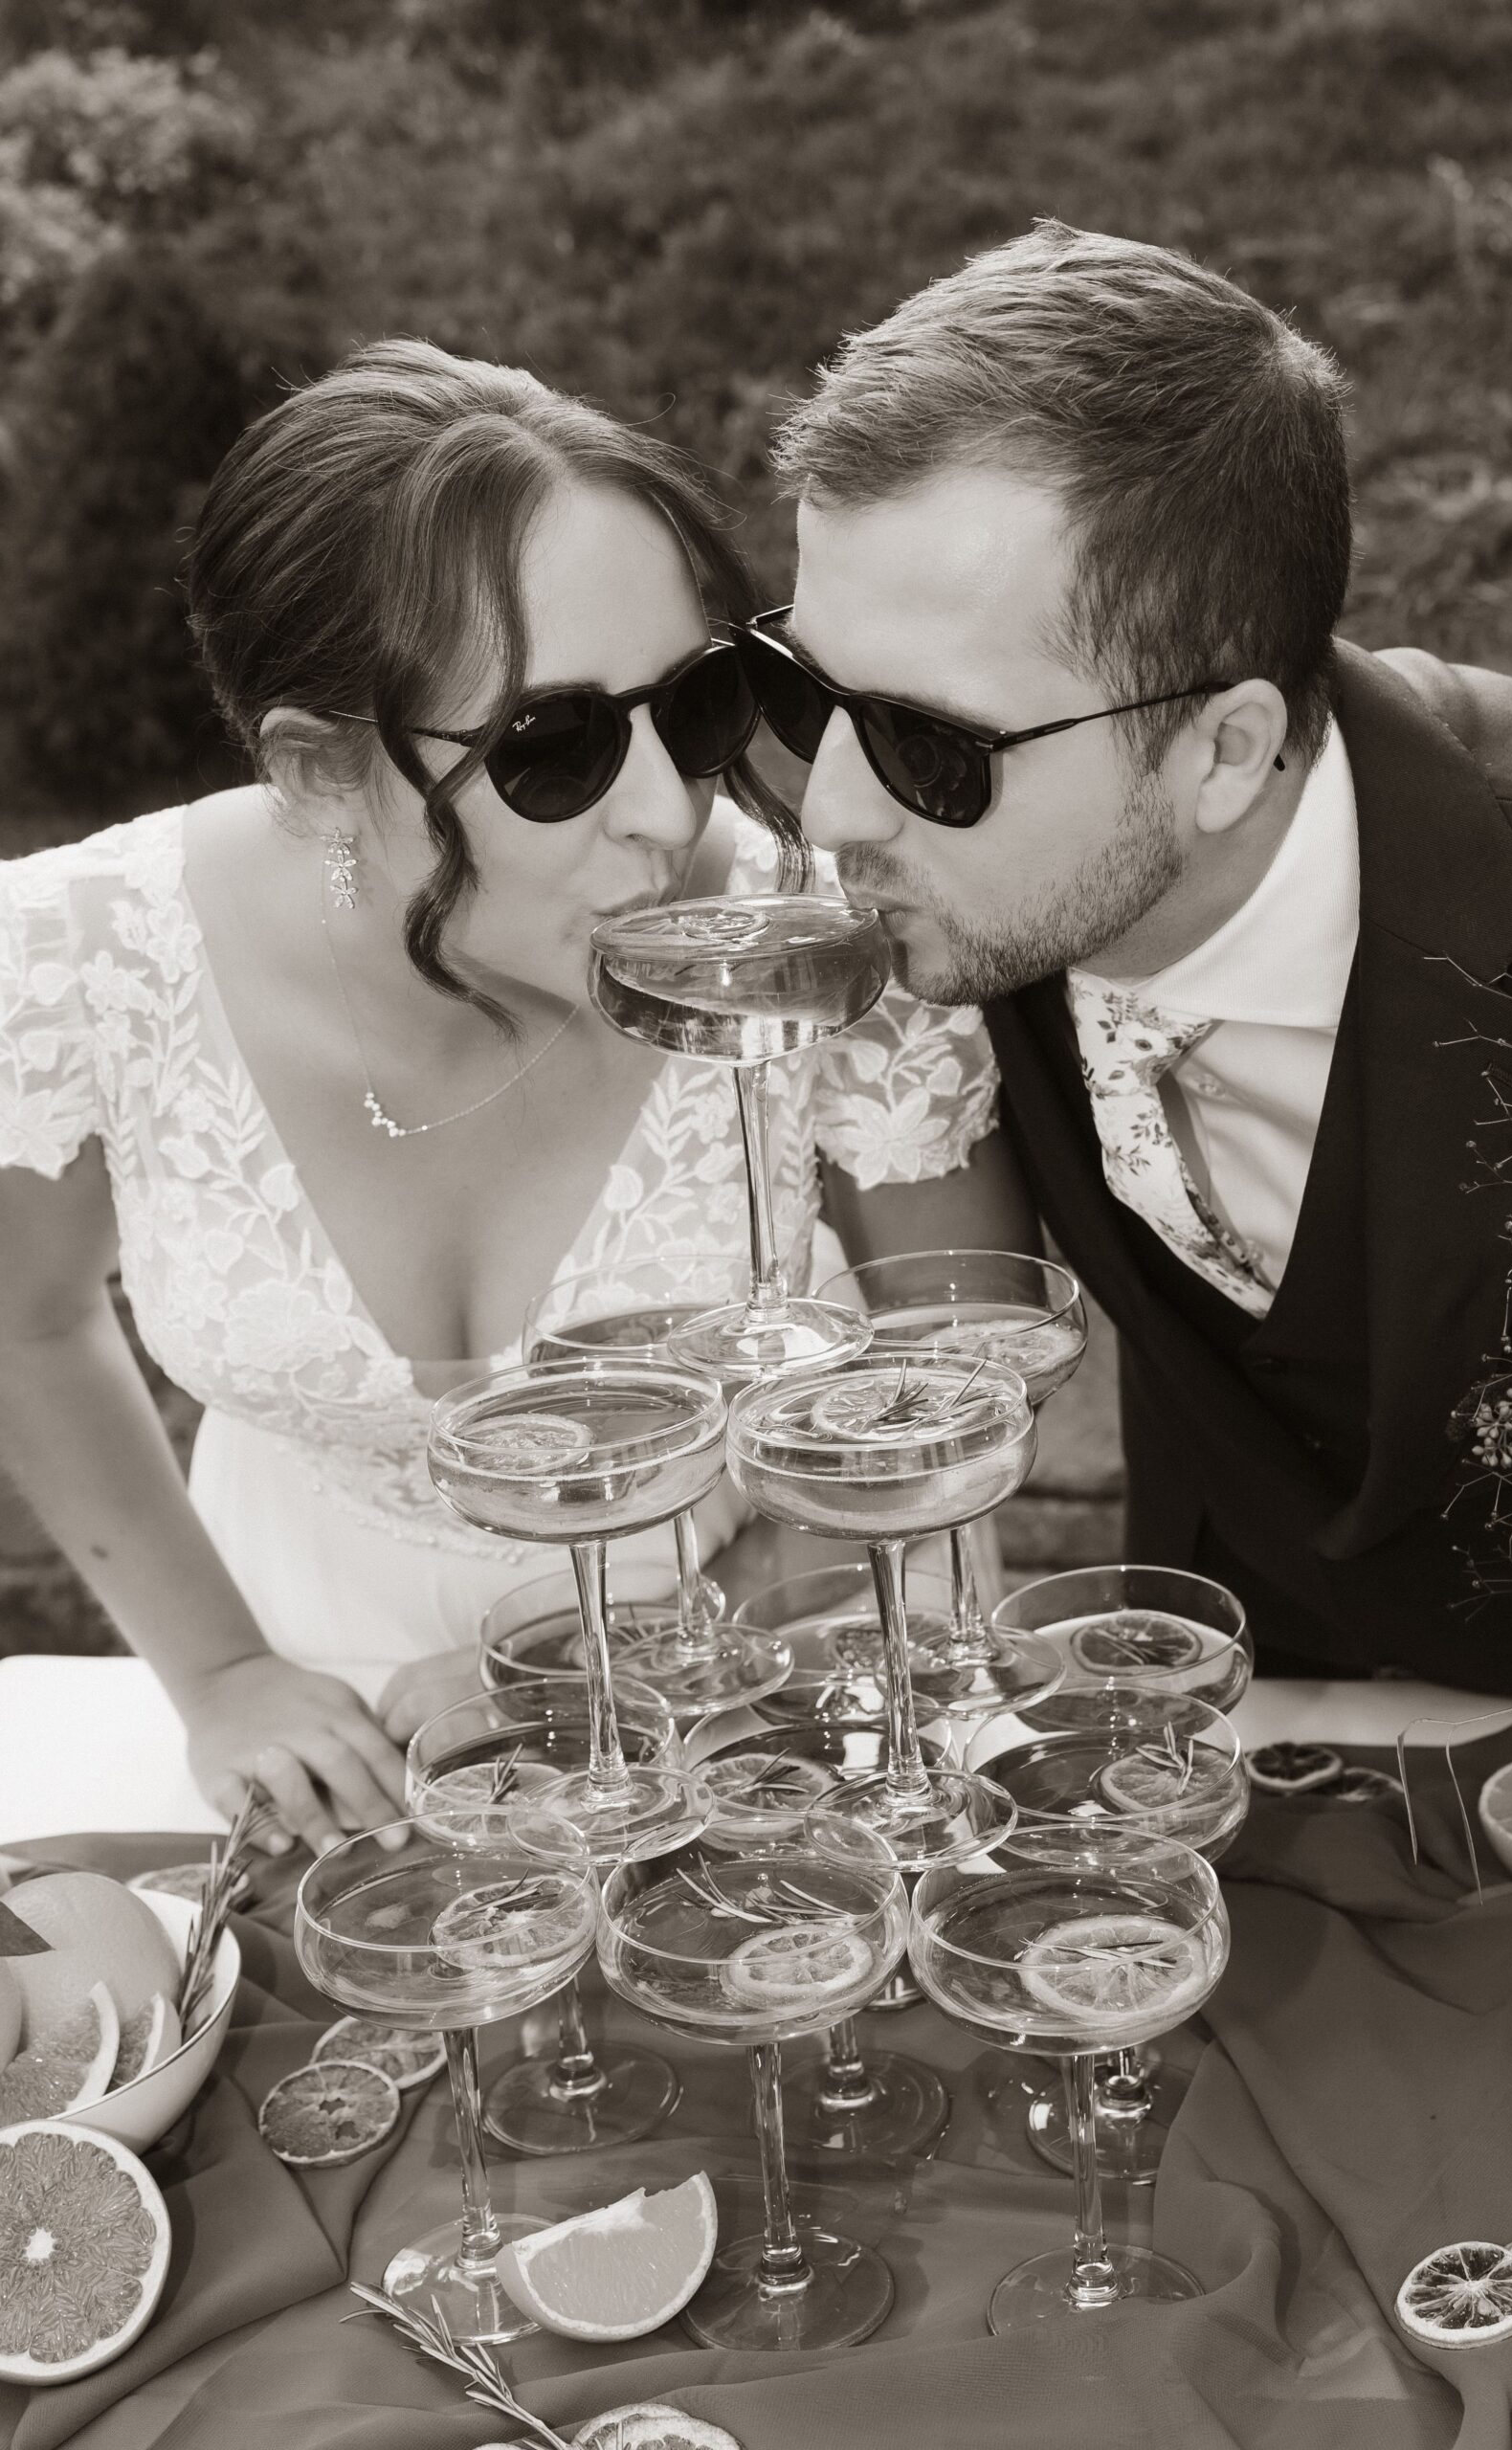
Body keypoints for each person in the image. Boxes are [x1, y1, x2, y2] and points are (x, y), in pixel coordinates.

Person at [0, 341, 1034, 1855]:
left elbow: (960, 1408)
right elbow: (27, 1318)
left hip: (754, 1683)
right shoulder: (79, 960)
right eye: (557, 748)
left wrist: (619, 1664)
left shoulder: (817, 958)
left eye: (697, 705)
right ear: (319, 770)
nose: (668, 812)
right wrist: (221, 1676)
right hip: (318, 1727)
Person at [753, 220, 1512, 1697]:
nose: (831, 809)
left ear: (1224, 751)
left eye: (927, 744)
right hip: (1215, 1746)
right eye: (801, 691)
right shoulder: (955, 912)